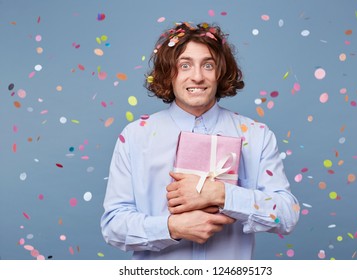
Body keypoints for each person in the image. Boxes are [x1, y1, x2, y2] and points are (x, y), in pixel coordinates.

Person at [101, 22, 300, 260]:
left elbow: (287, 215)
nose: (197, 77)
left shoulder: (256, 135)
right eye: (185, 65)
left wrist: (221, 194)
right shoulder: (135, 136)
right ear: (169, 73)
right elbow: (113, 225)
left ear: (220, 73)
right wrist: (172, 228)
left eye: (208, 65)